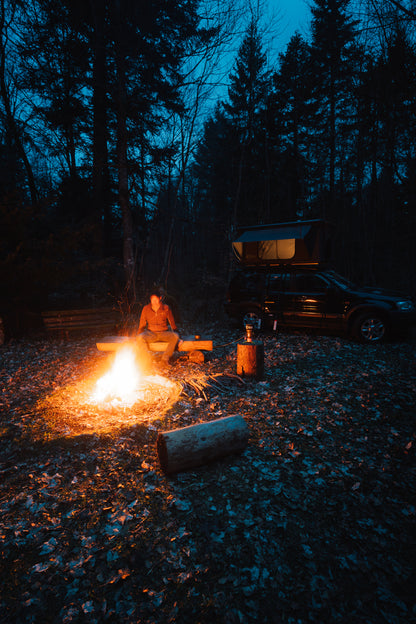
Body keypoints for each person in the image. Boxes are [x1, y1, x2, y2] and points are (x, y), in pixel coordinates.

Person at [136, 290, 180, 369]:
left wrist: (180, 337)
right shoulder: (146, 309)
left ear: (160, 298)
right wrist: (139, 334)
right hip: (151, 334)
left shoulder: (166, 308)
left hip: (163, 333)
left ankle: (164, 360)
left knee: (175, 336)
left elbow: (172, 323)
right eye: (152, 299)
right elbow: (142, 324)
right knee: (139, 337)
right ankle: (147, 359)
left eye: (156, 299)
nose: (154, 301)